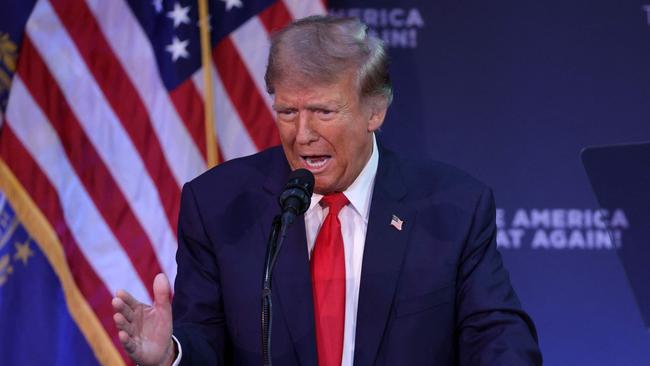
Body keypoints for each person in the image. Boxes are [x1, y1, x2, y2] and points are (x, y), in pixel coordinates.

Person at [112, 15, 542, 366]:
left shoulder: (453, 207)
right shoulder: (219, 204)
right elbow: (204, 338)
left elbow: (498, 338)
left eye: (322, 111)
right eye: (287, 111)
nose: (302, 135)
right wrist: (172, 353)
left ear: (376, 110)